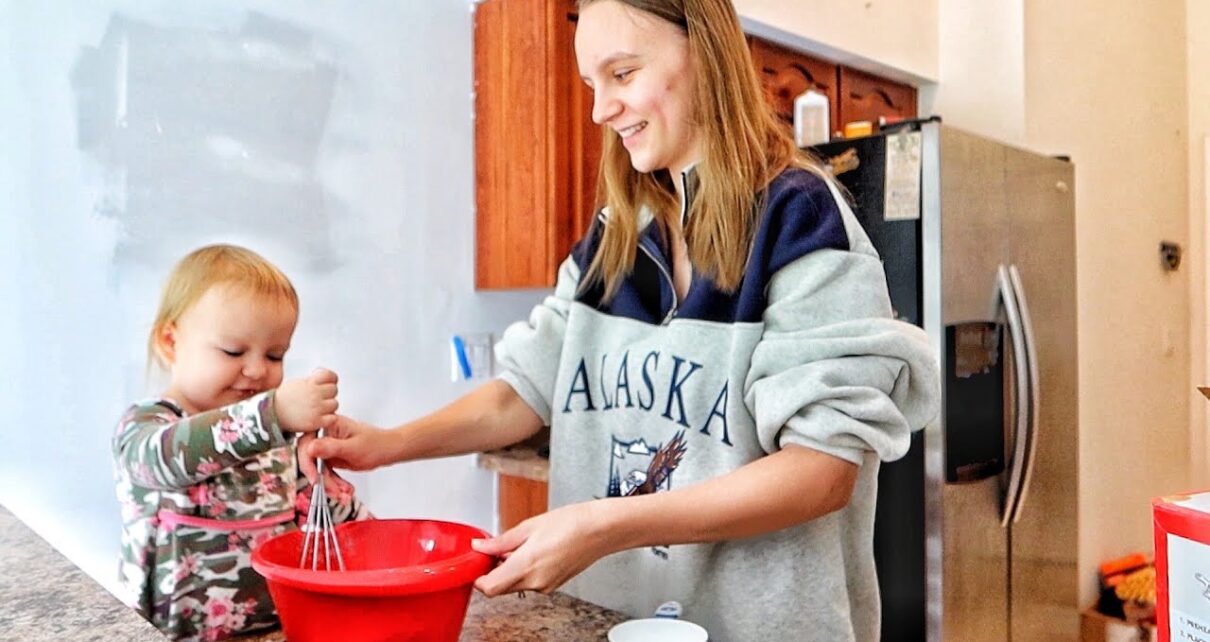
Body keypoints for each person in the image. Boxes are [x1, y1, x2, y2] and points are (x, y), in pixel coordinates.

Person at [302, 0, 940, 640]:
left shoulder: (798, 218)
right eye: (591, 84)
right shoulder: (619, 233)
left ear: (705, 56)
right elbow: (526, 391)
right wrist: (385, 446)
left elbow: (819, 473)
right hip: (611, 624)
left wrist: (603, 524)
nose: (599, 110)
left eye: (623, 74)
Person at [113, 244, 371, 642]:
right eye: (233, 351)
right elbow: (164, 460)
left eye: (275, 355)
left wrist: (329, 486)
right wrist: (273, 414)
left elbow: (335, 523)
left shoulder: (275, 439)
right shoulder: (148, 426)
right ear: (170, 342)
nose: (256, 370)